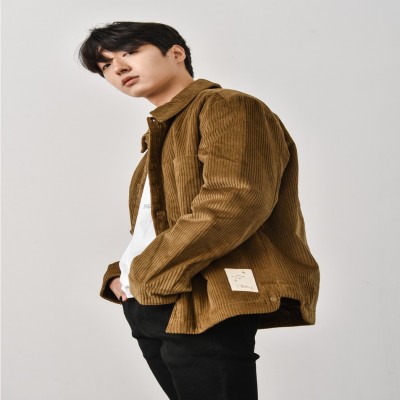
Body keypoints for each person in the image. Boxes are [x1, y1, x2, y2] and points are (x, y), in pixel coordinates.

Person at [78, 21, 320, 400]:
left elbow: (235, 199)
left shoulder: (227, 107)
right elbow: (153, 228)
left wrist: (147, 271)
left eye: (130, 52)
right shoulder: (158, 139)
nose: (118, 68)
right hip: (151, 300)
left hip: (201, 297)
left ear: (176, 53)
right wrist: (121, 275)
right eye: (105, 65)